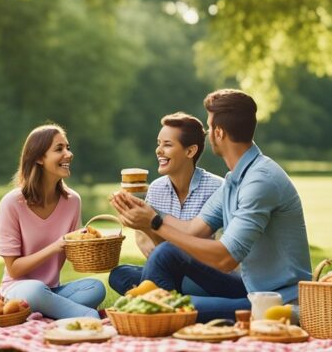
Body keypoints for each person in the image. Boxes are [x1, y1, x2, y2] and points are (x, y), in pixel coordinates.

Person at [110, 89, 311, 322]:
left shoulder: (260, 180)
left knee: (177, 302)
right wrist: (146, 215)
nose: (207, 134)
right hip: (249, 287)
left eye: (209, 127)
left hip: (276, 301)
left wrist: (154, 223)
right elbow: (191, 230)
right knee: (166, 254)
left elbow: (226, 258)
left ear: (219, 132)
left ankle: (153, 307)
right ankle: (155, 303)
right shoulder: (234, 180)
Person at [0, 124, 105, 319]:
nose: (68, 154)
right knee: (35, 290)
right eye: (59, 149)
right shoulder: (12, 203)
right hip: (17, 289)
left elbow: (73, 253)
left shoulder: (72, 201)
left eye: (68, 148)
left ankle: (41, 310)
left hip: (51, 290)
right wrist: (57, 246)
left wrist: (89, 244)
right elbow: (13, 268)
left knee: (95, 288)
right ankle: (88, 316)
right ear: (38, 158)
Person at [108, 112, 223, 296]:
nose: (158, 150)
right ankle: (166, 295)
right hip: (166, 271)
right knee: (120, 274)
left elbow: (218, 254)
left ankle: (156, 295)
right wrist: (144, 227)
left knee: (162, 278)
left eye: (167, 144)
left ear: (190, 151)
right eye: (158, 143)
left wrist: (151, 225)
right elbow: (156, 253)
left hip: (203, 275)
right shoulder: (156, 188)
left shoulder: (217, 188)